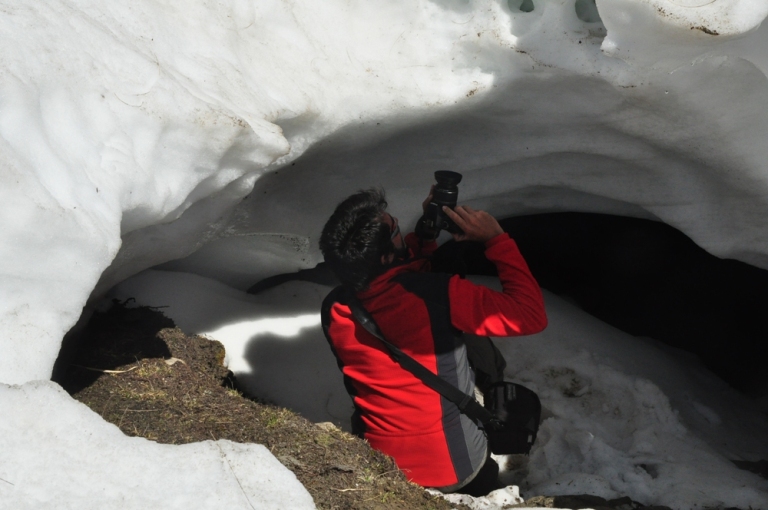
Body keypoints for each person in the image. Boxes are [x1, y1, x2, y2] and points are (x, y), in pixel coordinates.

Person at [319, 187, 547, 496]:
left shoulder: (334, 308)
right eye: (397, 229)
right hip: (456, 468)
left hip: (381, 461)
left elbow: (395, 286)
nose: (401, 227)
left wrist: (423, 239)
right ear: (386, 256)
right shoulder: (440, 295)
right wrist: (496, 239)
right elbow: (530, 315)